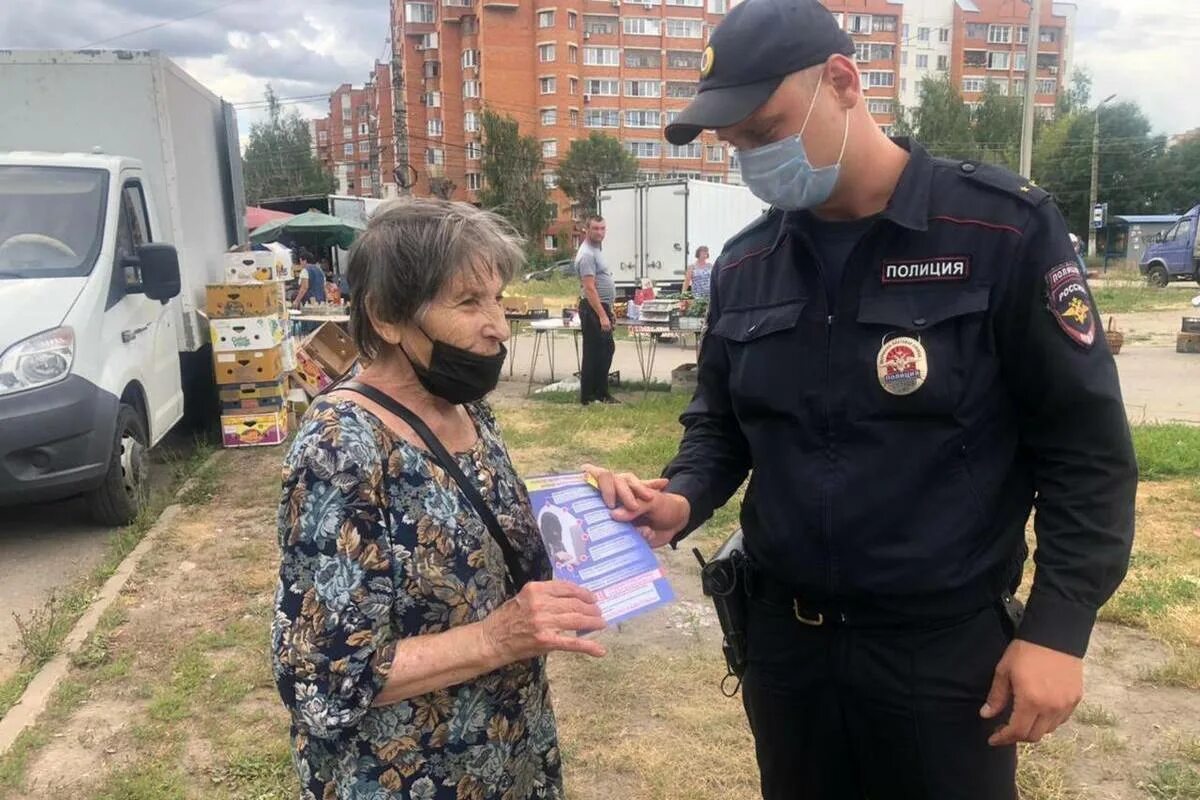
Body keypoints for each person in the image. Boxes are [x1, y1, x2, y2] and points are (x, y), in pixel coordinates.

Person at [586, 1, 1138, 798]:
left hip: (941, 653)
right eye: (734, 142)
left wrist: (1059, 629)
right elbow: (721, 424)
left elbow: (1085, 450)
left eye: (763, 127)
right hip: (787, 647)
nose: (750, 156)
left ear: (841, 82)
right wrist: (681, 496)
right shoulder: (747, 266)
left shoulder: (999, 231)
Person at [272, 198, 607, 800]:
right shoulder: (340, 448)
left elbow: (478, 529)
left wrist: (593, 502)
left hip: (508, 753)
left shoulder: (463, 405)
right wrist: (495, 638)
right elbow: (321, 678)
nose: (499, 327)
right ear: (386, 317)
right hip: (407, 776)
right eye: (468, 302)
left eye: (498, 298)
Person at [576, 215, 618, 405]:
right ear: (587, 229)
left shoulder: (596, 250)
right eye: (595, 228)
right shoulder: (587, 254)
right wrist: (602, 315)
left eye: (602, 228)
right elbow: (589, 288)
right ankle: (590, 396)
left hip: (602, 306)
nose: (600, 232)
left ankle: (600, 392)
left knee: (605, 349)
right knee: (595, 352)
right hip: (592, 308)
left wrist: (609, 310)